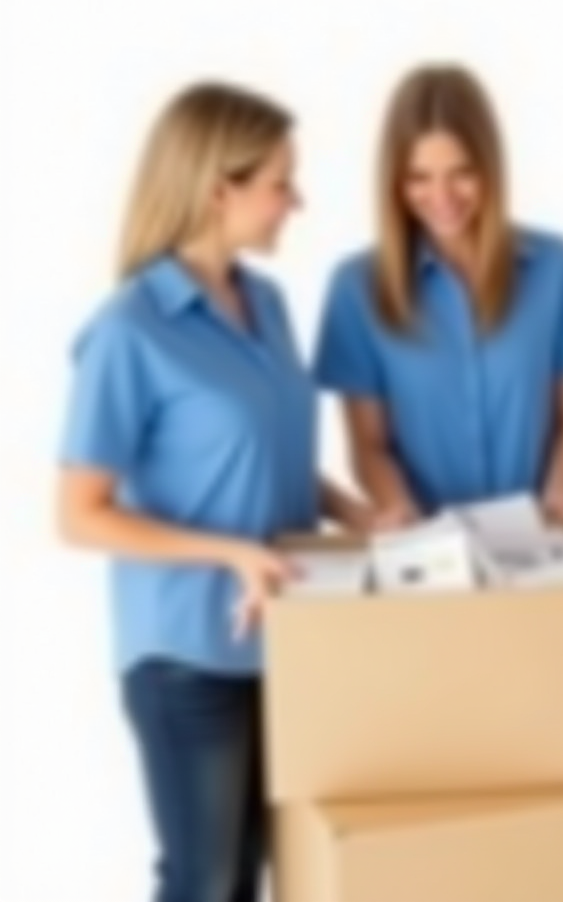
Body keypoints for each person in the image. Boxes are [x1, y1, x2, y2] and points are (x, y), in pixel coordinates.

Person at [56, 82, 375, 902]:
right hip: (186, 656)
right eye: (280, 182)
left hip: (285, 640)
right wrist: (229, 551)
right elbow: (78, 514)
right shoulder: (131, 329)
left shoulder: (265, 303)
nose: (295, 202)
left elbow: (265, 454)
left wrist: (358, 514)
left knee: (261, 874)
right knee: (204, 882)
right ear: (217, 189)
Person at [313, 64, 563, 520]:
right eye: (419, 177)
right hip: (424, 553)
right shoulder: (356, 287)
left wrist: (559, 493)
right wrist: (404, 517)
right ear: (394, 180)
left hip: (535, 545)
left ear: (491, 166)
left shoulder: (556, 266)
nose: (442, 196)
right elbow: (368, 445)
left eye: (461, 172)